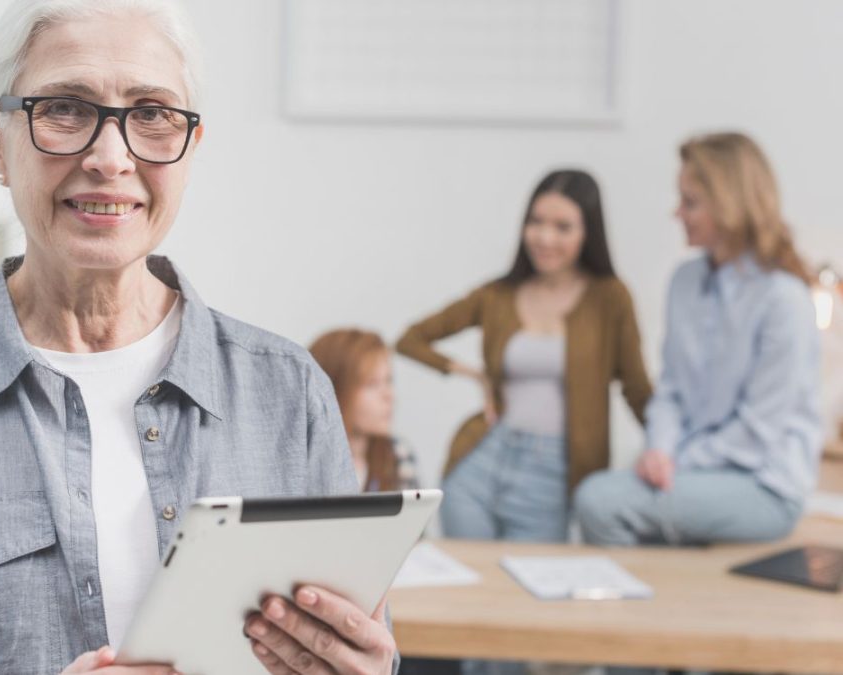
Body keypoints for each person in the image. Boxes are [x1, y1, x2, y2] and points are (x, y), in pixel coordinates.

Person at [0, 2, 398, 673]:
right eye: (66, 108)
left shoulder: (290, 390)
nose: (111, 158)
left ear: (191, 145)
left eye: (153, 113)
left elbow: (351, 645)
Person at [575, 132, 822, 551]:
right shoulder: (684, 282)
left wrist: (675, 460)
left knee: (598, 501)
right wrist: (659, 447)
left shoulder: (784, 300)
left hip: (762, 483)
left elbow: (758, 431)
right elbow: (670, 391)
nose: (677, 213)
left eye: (690, 202)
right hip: (692, 467)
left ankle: (637, 607)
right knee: (614, 493)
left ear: (730, 203)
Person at [397, 170, 652, 547]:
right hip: (483, 461)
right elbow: (410, 339)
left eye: (563, 227)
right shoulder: (498, 295)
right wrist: (472, 375)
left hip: (554, 472)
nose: (545, 237)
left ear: (588, 233)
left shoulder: (610, 298)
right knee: (471, 587)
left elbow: (636, 388)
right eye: (536, 222)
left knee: (528, 591)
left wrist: (668, 449)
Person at [310, 329, 420, 492]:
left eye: (389, 381)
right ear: (333, 390)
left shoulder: (398, 455)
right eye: (372, 383)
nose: (389, 396)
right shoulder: (300, 463)